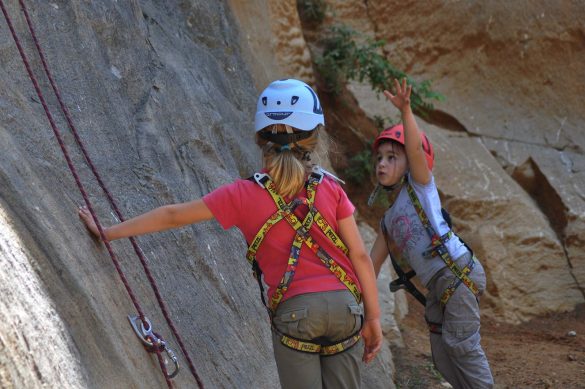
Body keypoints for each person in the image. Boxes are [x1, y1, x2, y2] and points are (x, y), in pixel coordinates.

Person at [79, 79, 383, 389]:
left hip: (298, 314)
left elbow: (172, 216)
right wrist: (372, 317)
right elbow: (359, 255)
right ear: (315, 137)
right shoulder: (329, 188)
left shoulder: (242, 194)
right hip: (346, 308)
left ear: (259, 139)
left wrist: (108, 232)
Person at [369, 78, 494, 388]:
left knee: (462, 346)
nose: (382, 163)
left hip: (457, 272)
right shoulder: (387, 221)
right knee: (442, 354)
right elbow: (369, 265)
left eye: (391, 157)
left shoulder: (420, 188)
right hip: (439, 286)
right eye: (379, 158)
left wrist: (406, 110)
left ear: (410, 163)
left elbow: (413, 148)